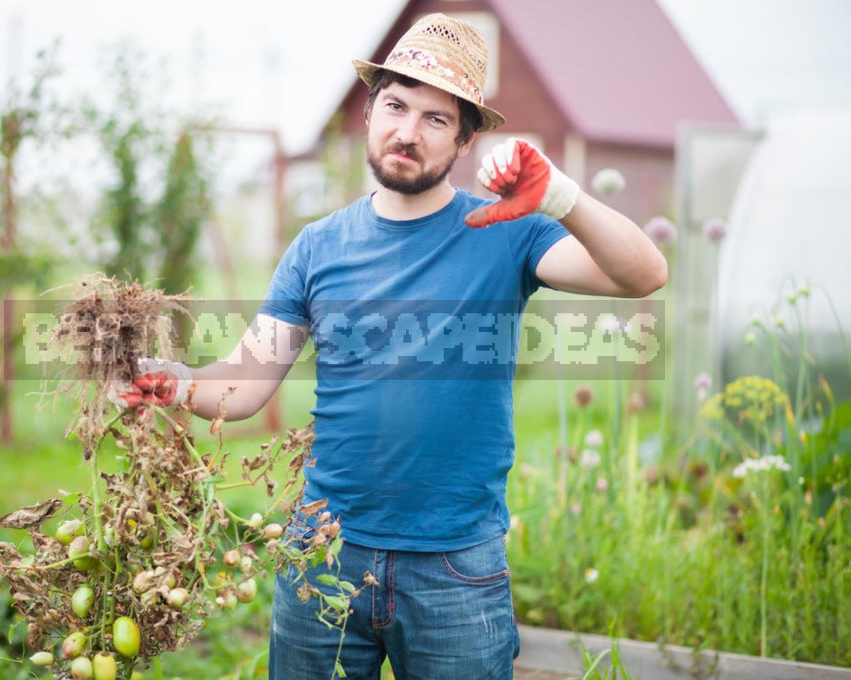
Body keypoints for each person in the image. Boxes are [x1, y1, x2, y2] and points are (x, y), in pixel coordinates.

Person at [115, 12, 666, 680]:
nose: (407, 132)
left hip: (453, 568)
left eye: (436, 119)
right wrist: (177, 382)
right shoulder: (317, 247)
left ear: (463, 138)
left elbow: (643, 274)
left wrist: (558, 195)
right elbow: (247, 380)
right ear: (371, 111)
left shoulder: (505, 233)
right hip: (323, 555)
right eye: (395, 106)